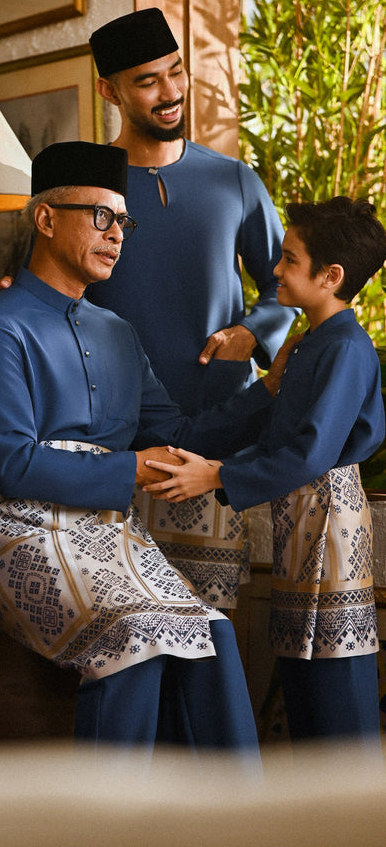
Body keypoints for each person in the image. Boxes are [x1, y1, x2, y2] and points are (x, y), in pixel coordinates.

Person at [0, 139, 286, 758]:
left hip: (110, 533)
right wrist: (130, 467)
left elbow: (180, 436)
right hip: (15, 529)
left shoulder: (119, 333)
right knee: (136, 636)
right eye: (100, 216)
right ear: (45, 218)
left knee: (213, 635)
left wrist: (270, 392)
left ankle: (231, 808)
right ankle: (112, 807)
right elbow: (12, 465)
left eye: (123, 222)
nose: (116, 235)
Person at [0, 7, 297, 610]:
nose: (170, 92)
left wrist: (255, 332)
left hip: (203, 436)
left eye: (176, 72)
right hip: (106, 446)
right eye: (147, 81)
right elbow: (42, 282)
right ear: (108, 90)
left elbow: (288, 285)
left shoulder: (235, 181)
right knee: (126, 614)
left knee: (203, 618)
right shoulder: (87, 190)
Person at [151, 196, 386, 743]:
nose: (275, 270)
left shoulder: (346, 348)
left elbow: (311, 454)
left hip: (328, 518)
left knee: (333, 683)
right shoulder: (309, 344)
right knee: (304, 673)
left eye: (289, 259)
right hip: (302, 516)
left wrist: (217, 476)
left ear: (331, 276)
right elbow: (279, 434)